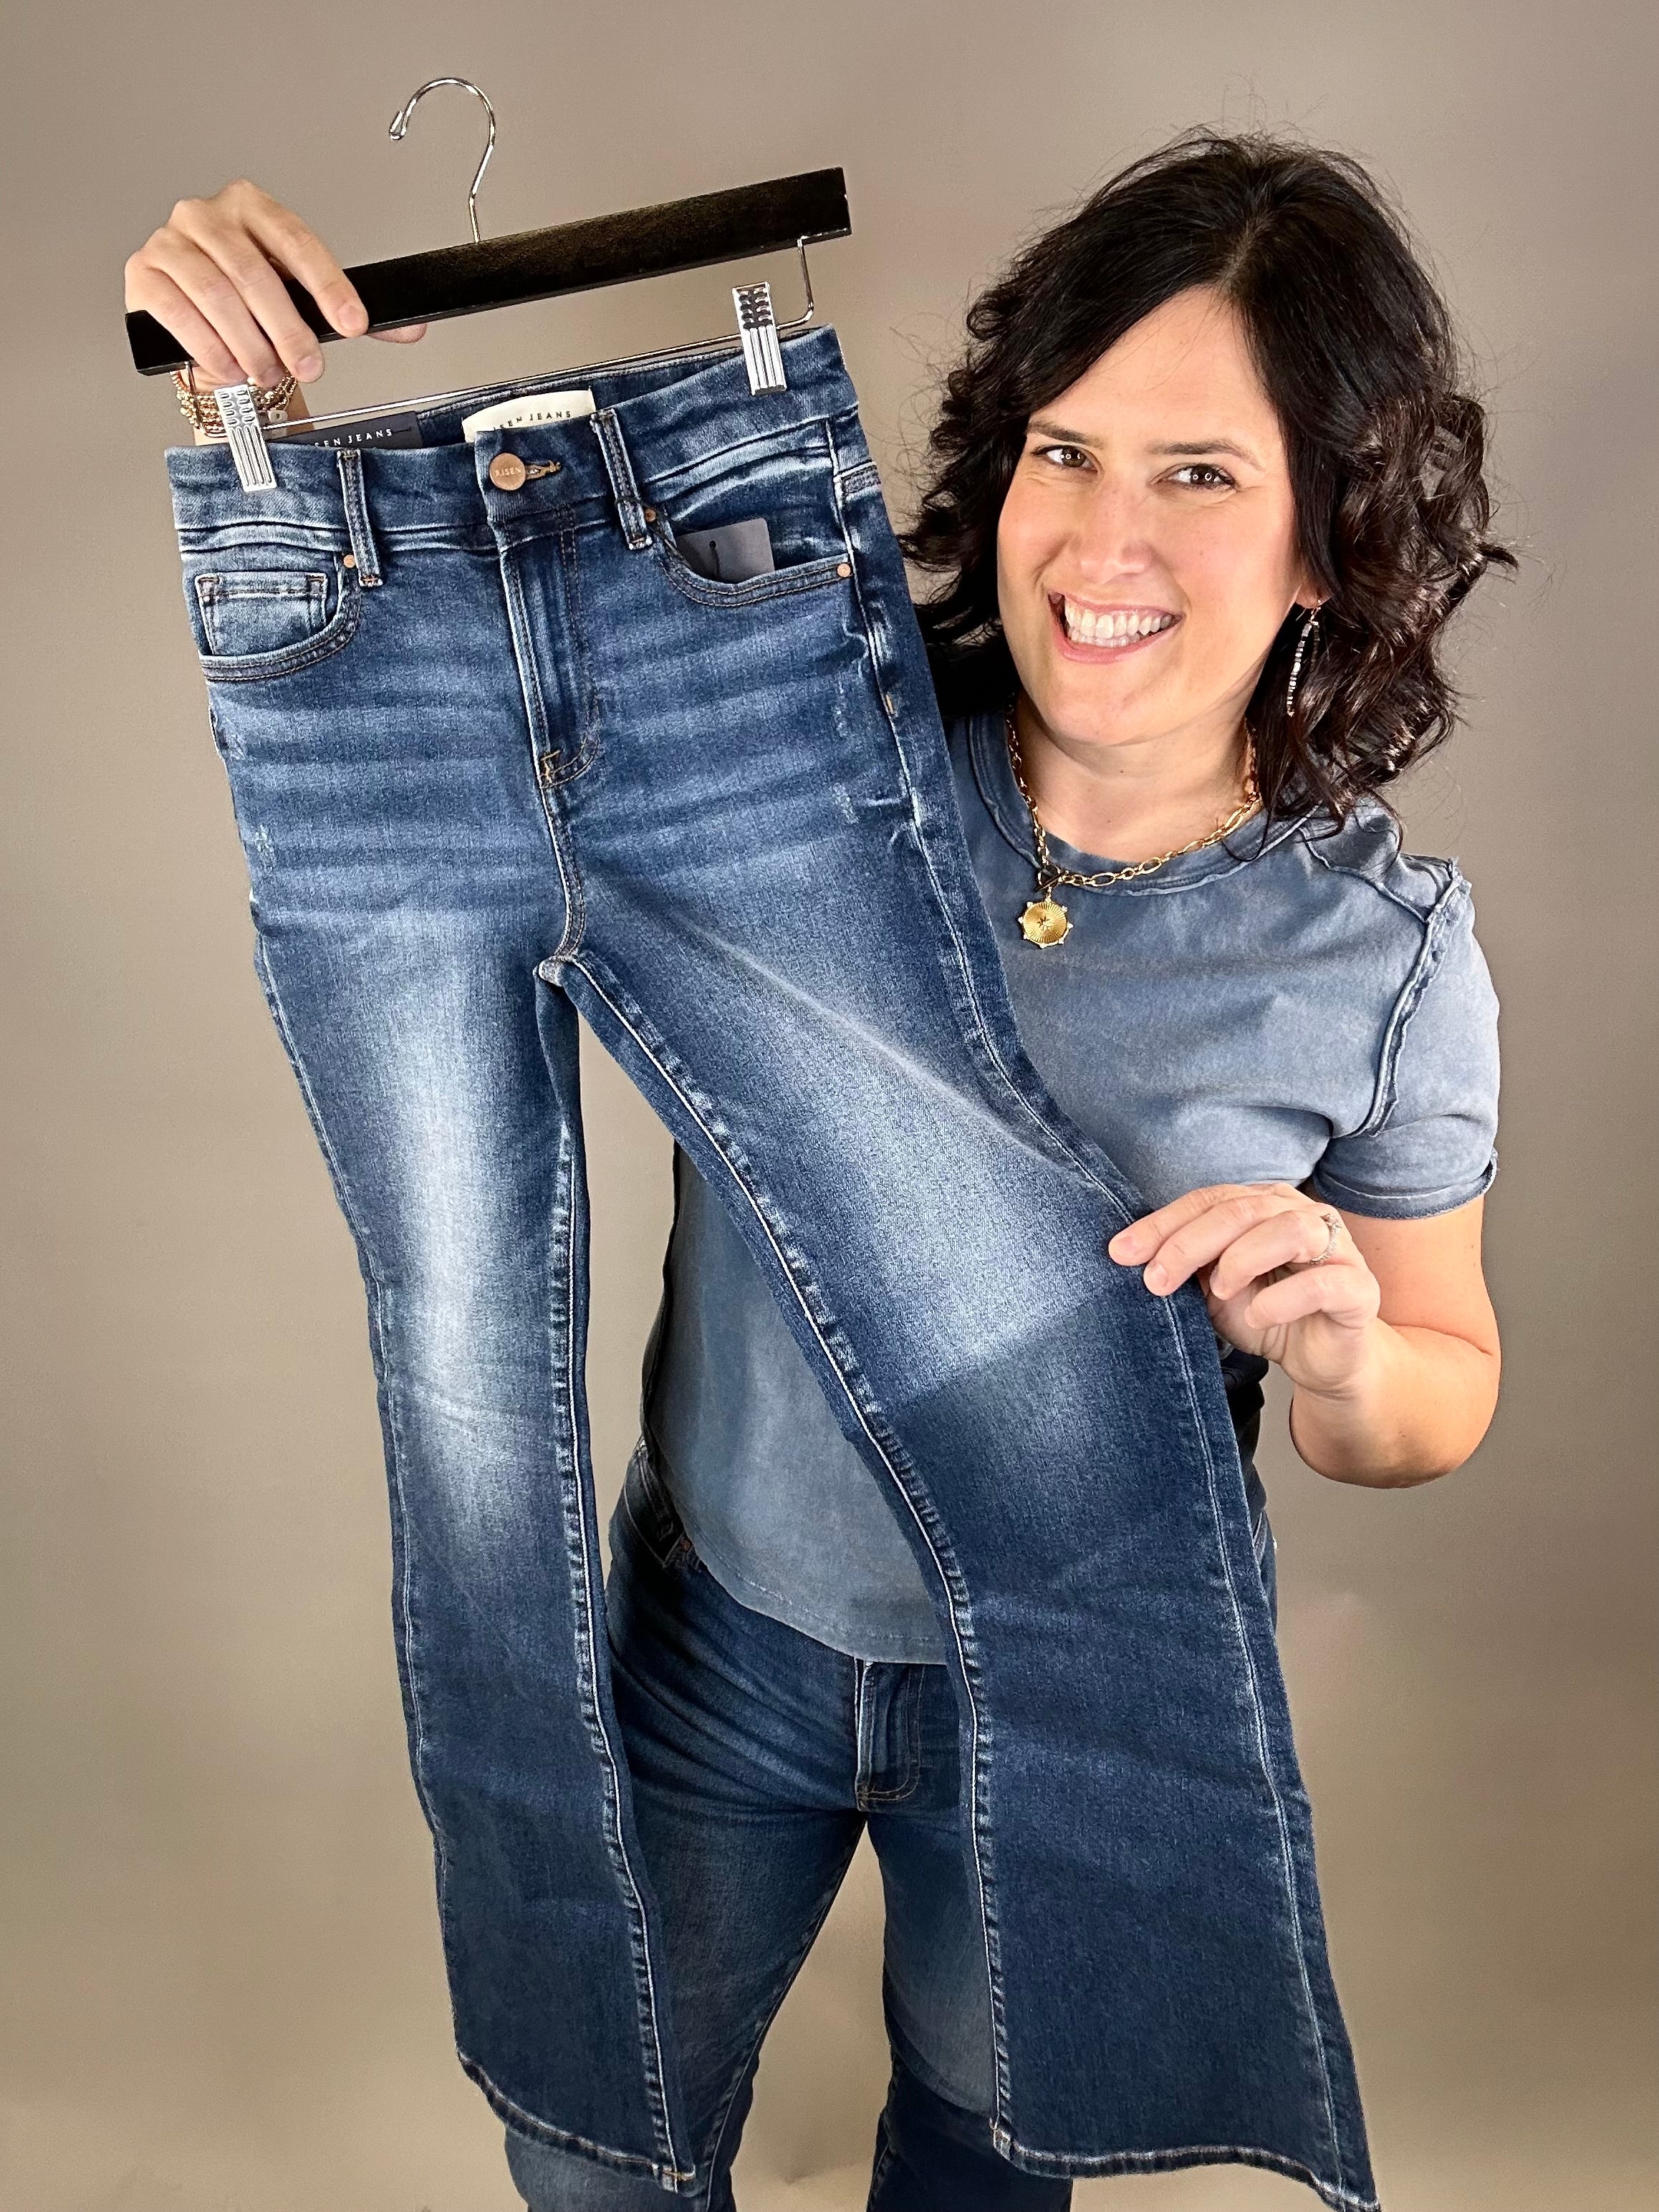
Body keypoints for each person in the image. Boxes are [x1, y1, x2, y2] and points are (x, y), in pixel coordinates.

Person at [127, 129, 1508, 2210]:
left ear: (1332, 538)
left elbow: (1436, 1385)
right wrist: (264, 437)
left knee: (980, 2170)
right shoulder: (805, 768)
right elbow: (475, 729)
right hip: (722, 1633)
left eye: (1203, 474)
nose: (1104, 537)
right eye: (1064, 451)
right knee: (593, 2157)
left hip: (1072, 1684)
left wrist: (1343, 1356)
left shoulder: (1376, 955)